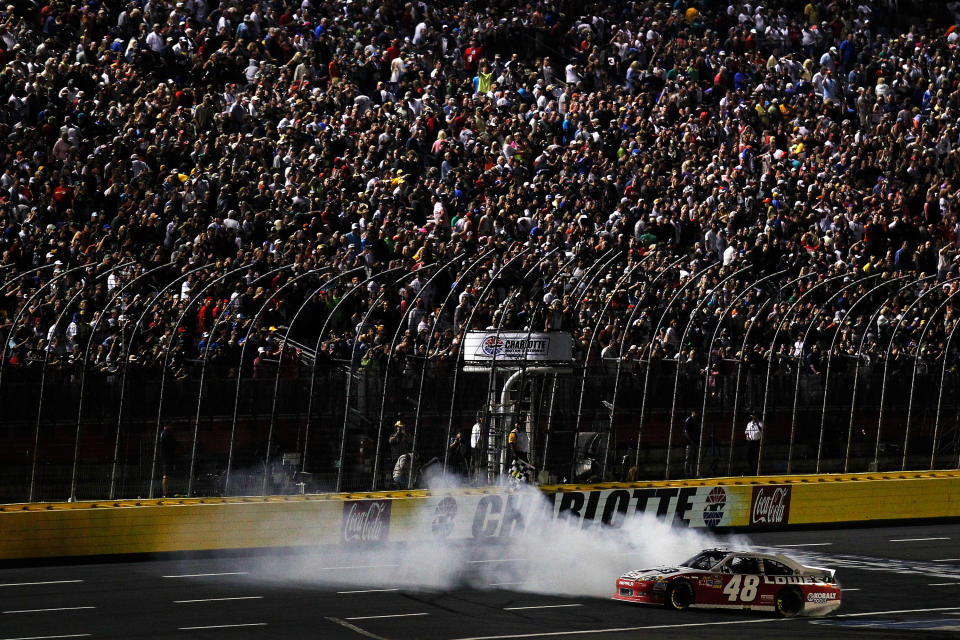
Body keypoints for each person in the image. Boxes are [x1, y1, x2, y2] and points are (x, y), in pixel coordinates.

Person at [389, 420, 412, 487]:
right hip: (395, 456)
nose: (399, 428)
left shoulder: (406, 434)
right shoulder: (393, 435)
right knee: (396, 472)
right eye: (398, 427)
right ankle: (396, 484)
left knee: (405, 472)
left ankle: (405, 485)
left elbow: (411, 440)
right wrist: (397, 433)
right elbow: (390, 441)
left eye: (401, 427)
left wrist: (404, 434)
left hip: (404, 457)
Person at [159, 425, 177, 498]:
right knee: (166, 475)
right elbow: (172, 444)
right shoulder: (166, 434)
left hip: (166, 456)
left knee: (168, 475)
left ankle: (167, 492)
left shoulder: (163, 433)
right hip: (167, 457)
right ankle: (165, 493)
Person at [682, 410, 700, 477]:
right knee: (689, 458)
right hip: (690, 443)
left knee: (694, 459)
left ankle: (693, 474)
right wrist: (691, 441)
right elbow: (686, 432)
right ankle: (687, 474)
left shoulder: (695, 420)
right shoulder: (689, 420)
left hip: (695, 442)